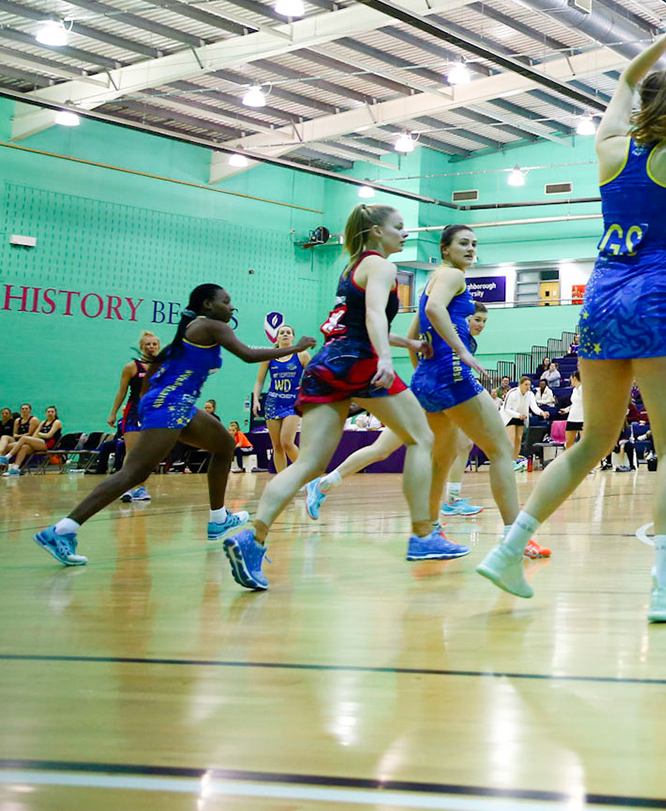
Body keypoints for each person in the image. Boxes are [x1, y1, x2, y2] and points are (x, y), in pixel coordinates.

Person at [476, 10, 666, 618]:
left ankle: (509, 549)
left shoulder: (610, 148)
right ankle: (664, 588)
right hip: (656, 300)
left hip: (599, 300)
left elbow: (624, 80)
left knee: (592, 441)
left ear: (644, 106)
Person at [221, 204, 462, 590]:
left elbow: (351, 324)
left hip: (326, 363)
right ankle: (423, 535)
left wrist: (408, 342)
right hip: (359, 362)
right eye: (398, 227)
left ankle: (253, 537)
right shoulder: (381, 266)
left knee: (309, 464)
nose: (404, 233)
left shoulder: (351, 268)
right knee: (421, 438)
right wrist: (386, 357)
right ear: (376, 231)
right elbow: (372, 317)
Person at [301, 234, 544, 558]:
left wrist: (424, 372)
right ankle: (514, 537)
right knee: (500, 450)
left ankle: (428, 532)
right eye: (463, 243)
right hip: (452, 375)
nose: (471, 248)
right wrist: (460, 352)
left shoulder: (431, 280)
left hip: (428, 379)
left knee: (440, 459)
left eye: (474, 243)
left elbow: (414, 334)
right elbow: (433, 309)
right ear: (445, 249)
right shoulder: (452, 275)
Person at [36, 285, 312, 567]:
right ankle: (62, 530)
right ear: (208, 304)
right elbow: (248, 355)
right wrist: (297, 347)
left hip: (177, 404)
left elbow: (157, 365)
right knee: (134, 473)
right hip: (170, 404)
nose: (232, 307)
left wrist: (148, 399)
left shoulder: (192, 330)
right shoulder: (212, 327)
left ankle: (218, 518)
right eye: (226, 301)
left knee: (225, 445)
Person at [102, 332, 162, 495]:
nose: (151, 347)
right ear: (141, 347)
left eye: (154, 344)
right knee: (132, 451)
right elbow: (121, 392)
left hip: (154, 413)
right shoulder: (131, 367)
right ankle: (126, 487)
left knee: (146, 453)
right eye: (147, 344)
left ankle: (140, 488)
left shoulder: (163, 367)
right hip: (134, 412)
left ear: (158, 347)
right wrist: (113, 413)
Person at [251, 326, 310, 475]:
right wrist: (256, 400)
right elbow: (259, 381)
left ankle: (307, 476)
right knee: (277, 446)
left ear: (293, 337)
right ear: (276, 338)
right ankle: (282, 480)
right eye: (281, 333)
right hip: (273, 403)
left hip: (293, 404)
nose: (285, 334)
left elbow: (314, 375)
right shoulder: (269, 357)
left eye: (288, 332)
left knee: (287, 443)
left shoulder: (302, 355)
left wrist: (306, 388)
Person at [2, 404, 60, 474]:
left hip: (49, 444)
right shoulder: (43, 422)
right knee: (23, 447)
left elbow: (48, 435)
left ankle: (7, 457)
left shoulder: (57, 422)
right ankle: (15, 468)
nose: (50, 413)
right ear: (46, 413)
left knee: (24, 438)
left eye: (52, 412)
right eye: (48, 412)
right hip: (39, 442)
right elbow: (35, 435)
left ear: (55, 413)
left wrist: (39, 434)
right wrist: (36, 437)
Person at [502, 375, 536, 472]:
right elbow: (507, 409)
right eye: (526, 385)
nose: (528, 387)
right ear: (520, 385)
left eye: (529, 385)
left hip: (521, 417)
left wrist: (542, 412)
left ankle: (514, 461)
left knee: (518, 440)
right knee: (512, 439)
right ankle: (507, 462)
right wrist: (518, 415)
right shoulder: (512, 393)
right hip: (509, 417)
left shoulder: (530, 394)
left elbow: (534, 406)